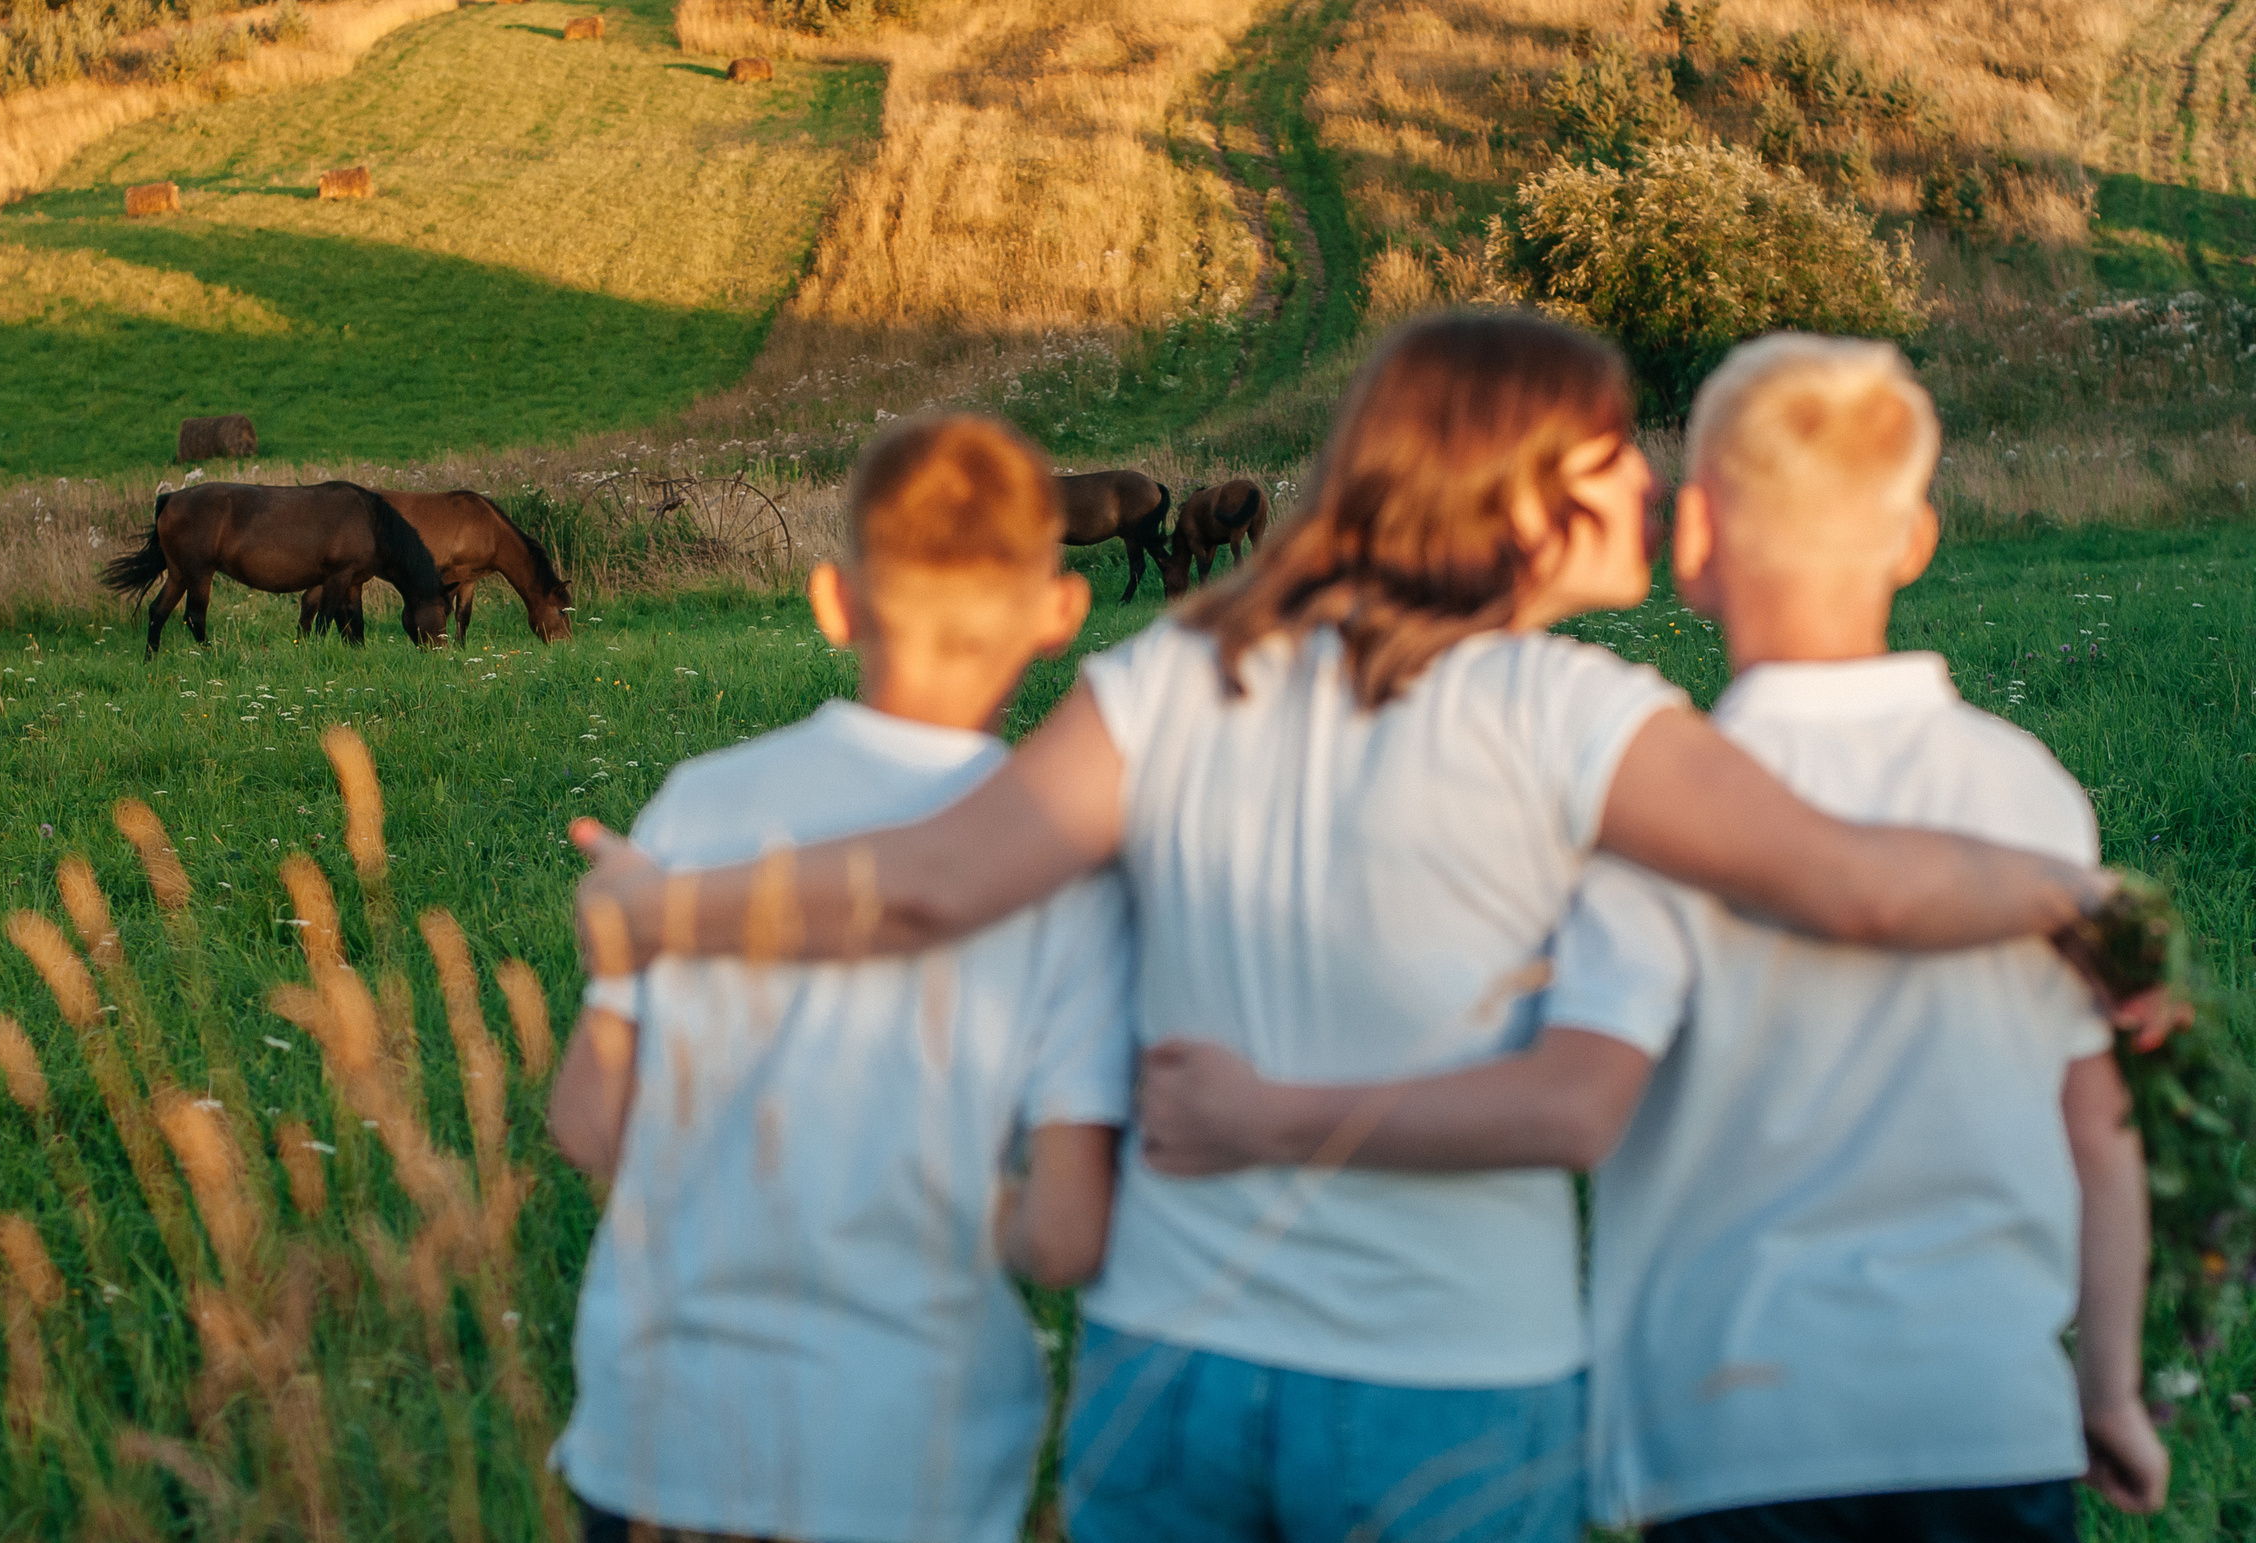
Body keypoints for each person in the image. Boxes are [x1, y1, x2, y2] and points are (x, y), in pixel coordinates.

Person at [569, 312, 2143, 1543]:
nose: (1646, 485)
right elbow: (1856, 883)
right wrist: (2083, 901)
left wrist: (663, 908)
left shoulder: (1186, 667)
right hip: (1445, 1382)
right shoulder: (1574, 710)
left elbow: (931, 877)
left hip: (1167, 1363)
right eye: (1608, 452)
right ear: (1518, 479)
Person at [1131, 335, 2169, 1542]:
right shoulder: (2033, 795)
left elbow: (1580, 1099)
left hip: (1729, 1432)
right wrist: (2106, 1390)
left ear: (1693, 539)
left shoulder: (1652, 807)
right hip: (1991, 1417)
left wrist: (1274, 1113)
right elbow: (2099, 1127)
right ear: (1917, 538)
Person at [549, 414, 1137, 1543]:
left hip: (660, 1432)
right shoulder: (1071, 874)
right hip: (904, 1449)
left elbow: (587, 1122)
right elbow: (1064, 1236)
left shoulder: (693, 808)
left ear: (833, 600)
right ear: (1060, 612)